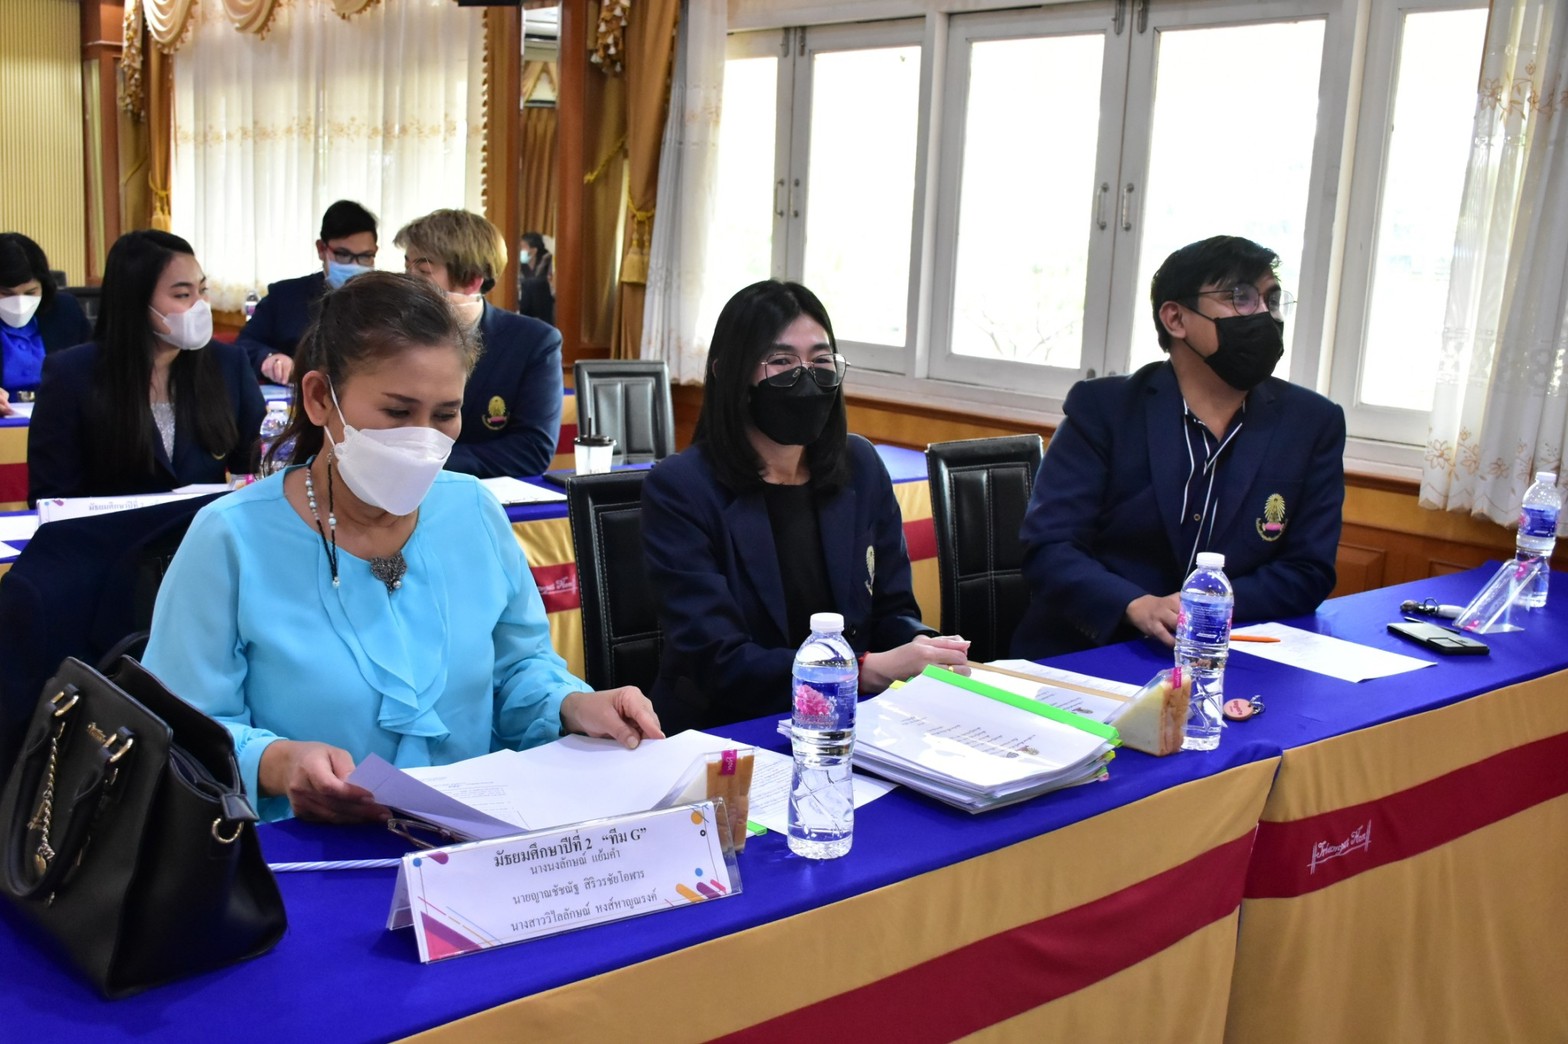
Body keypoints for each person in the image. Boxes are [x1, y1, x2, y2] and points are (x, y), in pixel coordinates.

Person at [141, 272, 662, 823]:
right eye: (397, 413)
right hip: (304, 850)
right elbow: (183, 727)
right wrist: (275, 763)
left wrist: (573, 704)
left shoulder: (472, 511)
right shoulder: (232, 538)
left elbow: (518, 668)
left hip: (471, 834)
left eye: (445, 415)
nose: (423, 439)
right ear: (319, 399)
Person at [641, 280, 969, 732]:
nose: (806, 378)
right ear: (729, 372)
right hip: (729, 727)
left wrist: (925, 649)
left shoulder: (859, 465)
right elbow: (717, 659)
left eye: (820, 361)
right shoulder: (681, 487)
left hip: (852, 722)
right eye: (781, 362)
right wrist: (858, 671)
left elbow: (893, 610)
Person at [1011, 235, 1345, 659]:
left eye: (1272, 300)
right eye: (1241, 297)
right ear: (1175, 318)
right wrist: (1136, 605)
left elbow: (1308, 569)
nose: (1264, 314)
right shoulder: (1105, 409)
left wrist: (1203, 607)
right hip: (1093, 649)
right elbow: (1050, 548)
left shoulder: (1312, 422)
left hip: (1228, 651)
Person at [26, 229, 264, 503]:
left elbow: (256, 471)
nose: (200, 305)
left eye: (202, 290)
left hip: (201, 526)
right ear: (136, 301)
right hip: (111, 528)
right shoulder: (70, 374)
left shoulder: (229, 365)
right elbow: (53, 497)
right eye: (182, 294)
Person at [396, 209, 562, 477]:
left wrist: (427, 463)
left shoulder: (533, 342)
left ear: (473, 280)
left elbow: (532, 449)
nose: (407, 281)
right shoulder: (389, 332)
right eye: (407, 267)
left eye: (422, 271)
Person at [236, 199, 379, 385]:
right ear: (321, 249)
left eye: (365, 257)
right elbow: (245, 345)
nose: (354, 265)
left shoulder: (385, 301)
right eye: (343, 255)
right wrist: (270, 358)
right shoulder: (284, 296)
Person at [0, 232, 93, 413]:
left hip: (62, 415)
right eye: (6, 294)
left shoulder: (65, 311)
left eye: (30, 293)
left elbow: (95, 367)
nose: (19, 303)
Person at [515, 231, 554, 325]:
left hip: (543, 305)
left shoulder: (547, 262)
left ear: (534, 250)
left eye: (523, 247)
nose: (520, 250)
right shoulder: (519, 265)